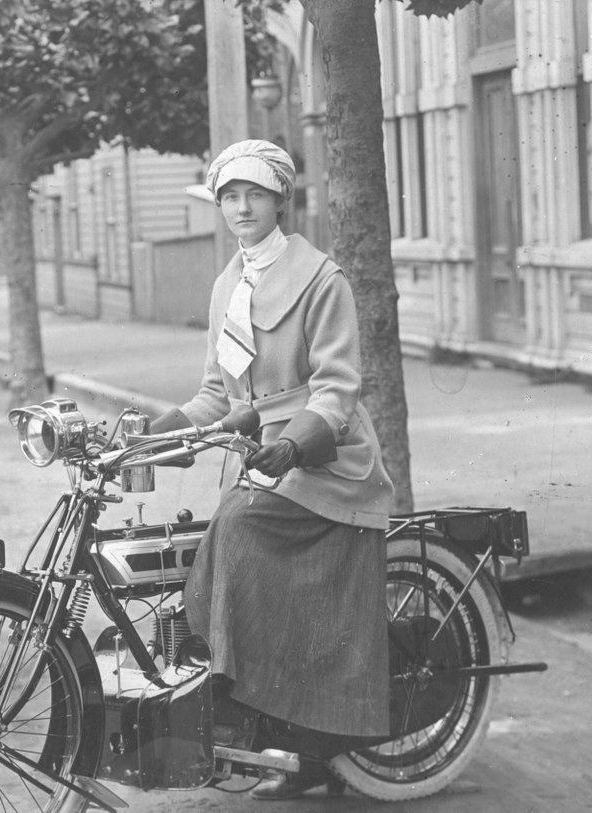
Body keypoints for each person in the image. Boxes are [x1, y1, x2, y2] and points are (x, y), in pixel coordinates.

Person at [151, 139, 395, 801]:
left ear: (279, 198)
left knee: (235, 525)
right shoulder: (227, 284)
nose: (240, 207)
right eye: (229, 196)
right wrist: (158, 432)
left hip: (326, 459)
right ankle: (258, 723)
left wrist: (293, 445)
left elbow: (338, 391)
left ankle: (237, 704)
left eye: (253, 194)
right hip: (263, 463)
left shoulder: (322, 278)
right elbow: (215, 392)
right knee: (201, 537)